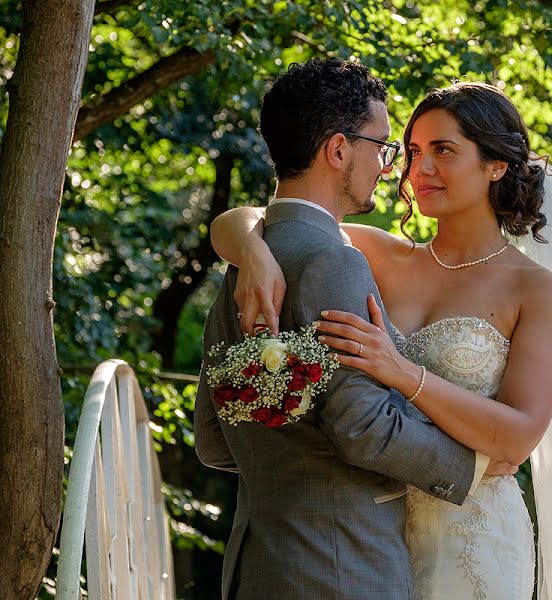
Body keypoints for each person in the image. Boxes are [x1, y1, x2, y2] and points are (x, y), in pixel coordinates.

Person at [215, 82, 552, 599]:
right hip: (371, 536)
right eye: (411, 152)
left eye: (443, 151)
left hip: (470, 540)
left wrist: (404, 373)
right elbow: (273, 220)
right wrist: (252, 252)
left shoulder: (538, 290)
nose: (417, 170)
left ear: (496, 164)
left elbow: (518, 437)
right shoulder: (373, 254)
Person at [194, 59, 514, 600]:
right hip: (343, 566)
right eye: (384, 147)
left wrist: (291, 469)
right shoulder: (334, 263)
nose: (390, 167)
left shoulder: (244, 267)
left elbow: (212, 436)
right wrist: (475, 465)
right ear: (339, 150)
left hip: (260, 564)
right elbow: (363, 427)